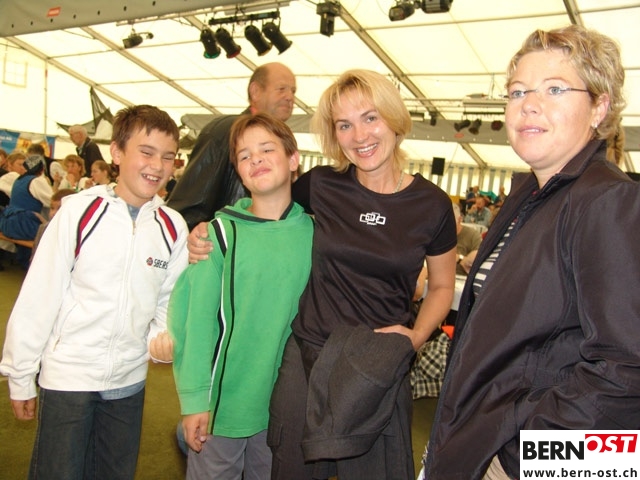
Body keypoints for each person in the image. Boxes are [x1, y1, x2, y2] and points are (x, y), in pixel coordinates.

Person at [189, 69, 457, 480]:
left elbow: (441, 285)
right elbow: (267, 205)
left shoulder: (431, 204)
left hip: (376, 365)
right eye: (344, 125)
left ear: (394, 119)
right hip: (308, 357)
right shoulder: (322, 185)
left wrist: (416, 336)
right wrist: (211, 226)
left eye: (370, 118)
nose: (360, 136)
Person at [423, 25, 640, 480]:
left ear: (599, 107)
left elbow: (626, 370)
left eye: (555, 89)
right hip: (471, 437)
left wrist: (521, 461)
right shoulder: (529, 194)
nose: (529, 103)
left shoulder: (607, 201)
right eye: (518, 91)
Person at [0, 105, 189, 479]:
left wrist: (159, 337)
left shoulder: (173, 227)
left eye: (168, 157)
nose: (157, 165)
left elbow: (169, 300)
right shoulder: (78, 212)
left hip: (128, 384)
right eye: (146, 152)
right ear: (117, 152)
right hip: (68, 379)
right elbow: (40, 296)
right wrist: (21, 375)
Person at [169, 113, 313, 480]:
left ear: (293, 159)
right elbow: (196, 321)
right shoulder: (219, 235)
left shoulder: (317, 234)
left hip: (283, 408)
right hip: (223, 407)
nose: (256, 159)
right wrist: (195, 399)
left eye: (267, 149)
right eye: (245, 155)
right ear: (239, 172)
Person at [166, 62, 296, 230]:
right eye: (281, 89)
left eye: (293, 91)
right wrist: (206, 239)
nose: (290, 97)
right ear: (255, 91)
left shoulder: (286, 144)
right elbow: (188, 206)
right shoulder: (224, 132)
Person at [30, 188, 76, 259]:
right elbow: (35, 255)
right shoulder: (43, 228)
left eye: (59, 209)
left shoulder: (75, 232)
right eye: (52, 208)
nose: (53, 213)